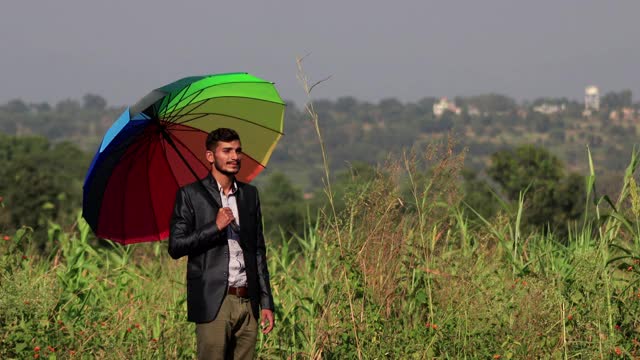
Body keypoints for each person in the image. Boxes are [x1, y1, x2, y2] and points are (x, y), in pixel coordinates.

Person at [168, 128, 275, 360]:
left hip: (249, 301)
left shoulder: (249, 195)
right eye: (226, 151)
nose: (234, 157)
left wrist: (266, 302)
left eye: (238, 151)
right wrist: (214, 227)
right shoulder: (190, 195)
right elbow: (176, 246)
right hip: (215, 300)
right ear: (210, 156)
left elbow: (258, 250)